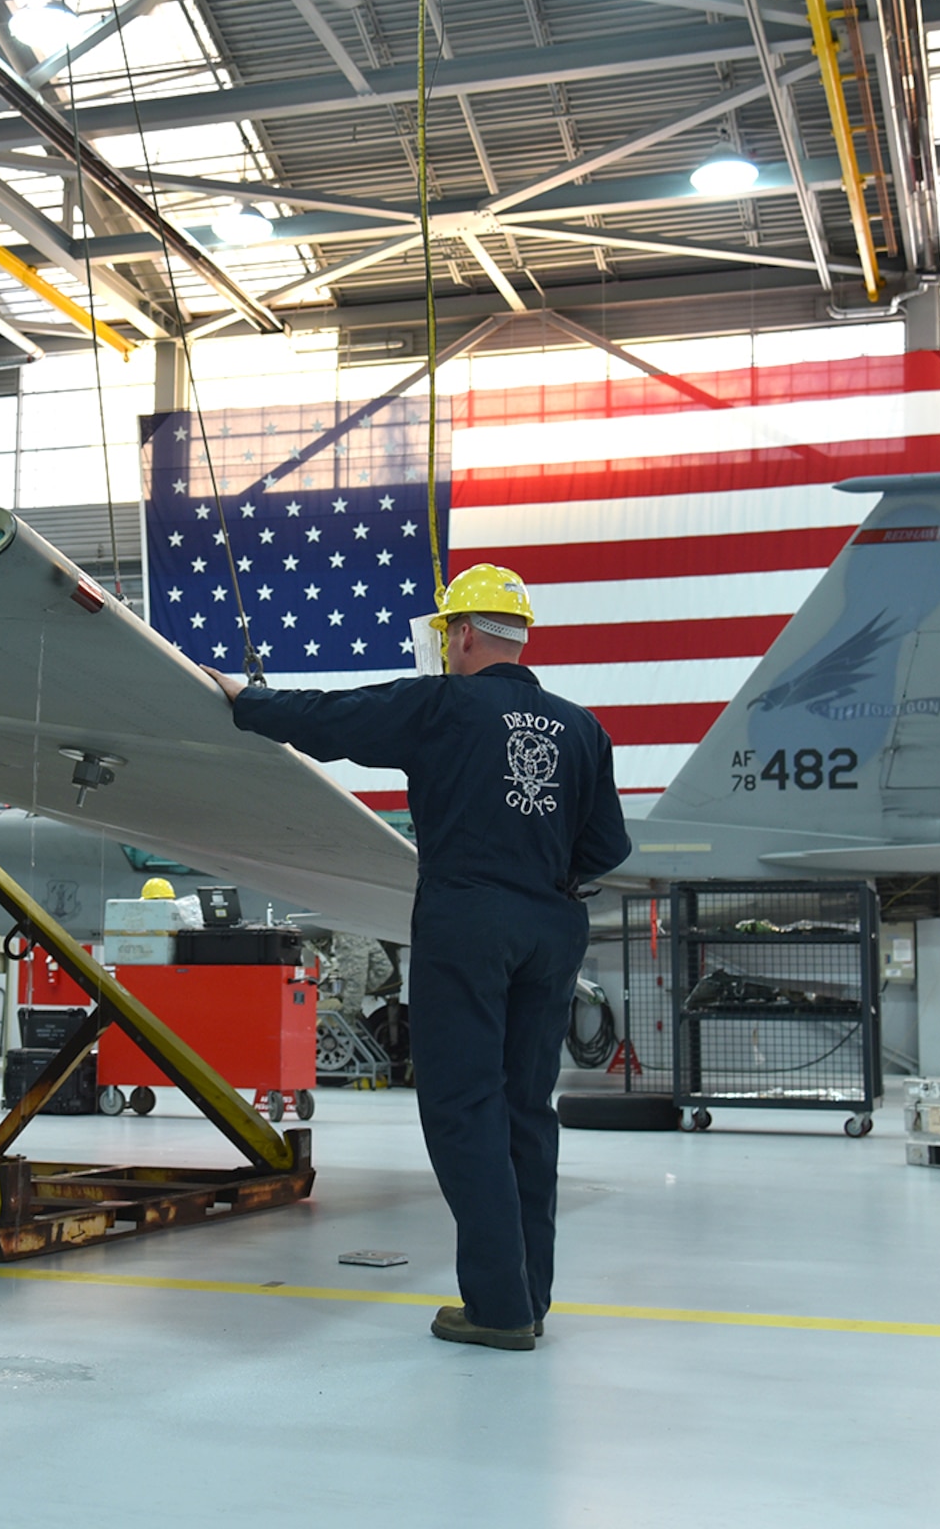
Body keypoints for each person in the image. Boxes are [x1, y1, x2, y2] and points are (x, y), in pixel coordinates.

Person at [207, 564, 630, 1351]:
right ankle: (530, 1297)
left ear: (459, 634)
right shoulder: (582, 728)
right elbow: (607, 844)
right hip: (552, 927)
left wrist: (245, 698)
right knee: (525, 1112)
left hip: (468, 919)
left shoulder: (441, 705)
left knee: (463, 1105)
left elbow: (335, 720)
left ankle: (500, 1307)